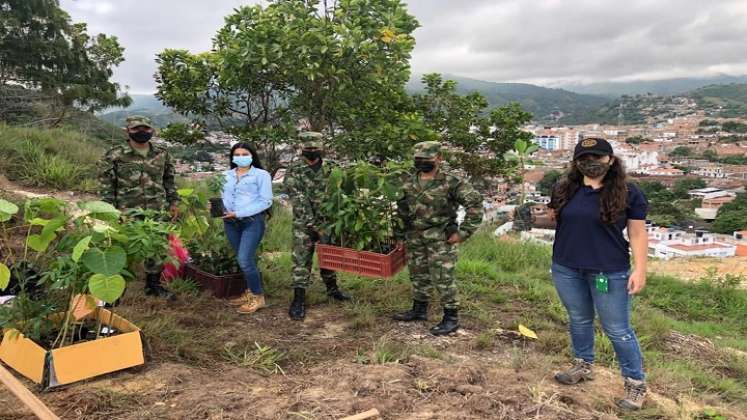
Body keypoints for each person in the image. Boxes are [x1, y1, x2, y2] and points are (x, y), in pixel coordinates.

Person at [548, 137, 649, 411]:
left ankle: (635, 384)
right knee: (579, 319)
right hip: (566, 267)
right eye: (584, 158)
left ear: (611, 160)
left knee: (618, 329)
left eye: (597, 157)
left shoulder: (628, 192)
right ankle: (583, 365)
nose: (590, 163)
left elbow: (638, 233)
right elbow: (559, 221)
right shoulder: (563, 189)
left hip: (609, 271)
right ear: (576, 163)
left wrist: (640, 269)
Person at [393, 141, 484, 335]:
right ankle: (419, 310)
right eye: (419, 159)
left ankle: (451, 318)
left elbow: (475, 204)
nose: (422, 162)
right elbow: (401, 210)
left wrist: (464, 232)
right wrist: (400, 236)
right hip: (414, 236)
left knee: (443, 277)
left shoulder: (451, 182)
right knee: (418, 274)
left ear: (439, 158)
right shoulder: (408, 181)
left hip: (441, 238)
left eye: (427, 159)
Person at [99, 116, 178, 300]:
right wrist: (110, 211)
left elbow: (169, 179)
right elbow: (106, 185)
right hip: (126, 211)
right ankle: (117, 288)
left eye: (145, 128)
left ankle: (153, 285)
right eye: (136, 129)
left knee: (157, 246)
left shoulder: (162, 153)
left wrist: (174, 202)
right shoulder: (115, 154)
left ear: (152, 130)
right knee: (123, 248)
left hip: (157, 209)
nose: (141, 132)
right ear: (127, 131)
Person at [283, 131, 351, 321]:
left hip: (328, 223)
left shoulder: (332, 168)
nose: (312, 151)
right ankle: (298, 299)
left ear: (321, 147)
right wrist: (312, 225)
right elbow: (299, 199)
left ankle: (332, 290)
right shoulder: (294, 170)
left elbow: (340, 194)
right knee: (301, 260)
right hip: (303, 224)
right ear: (302, 148)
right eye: (308, 148)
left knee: (328, 257)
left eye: (315, 147)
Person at [222, 143, 273, 314]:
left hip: (251, 221)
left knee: (244, 260)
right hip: (230, 223)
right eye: (237, 154)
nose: (241, 157)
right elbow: (225, 196)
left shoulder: (261, 175)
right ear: (232, 157)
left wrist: (239, 213)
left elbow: (266, 201)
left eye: (245, 154)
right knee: (244, 260)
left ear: (252, 156)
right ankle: (249, 292)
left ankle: (258, 297)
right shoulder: (226, 175)